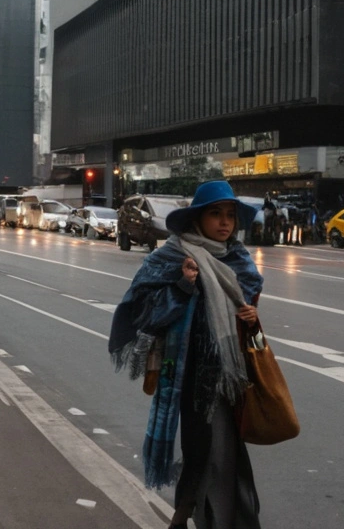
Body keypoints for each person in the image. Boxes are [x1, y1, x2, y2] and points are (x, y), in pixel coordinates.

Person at [109, 180, 264, 529]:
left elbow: (250, 335)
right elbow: (147, 316)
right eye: (216, 214)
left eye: (230, 215)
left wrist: (252, 322)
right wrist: (183, 287)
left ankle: (224, 518)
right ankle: (184, 517)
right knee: (201, 451)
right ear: (197, 218)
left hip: (233, 377)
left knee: (229, 454)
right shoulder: (173, 258)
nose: (225, 222)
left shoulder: (240, 263)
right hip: (191, 375)